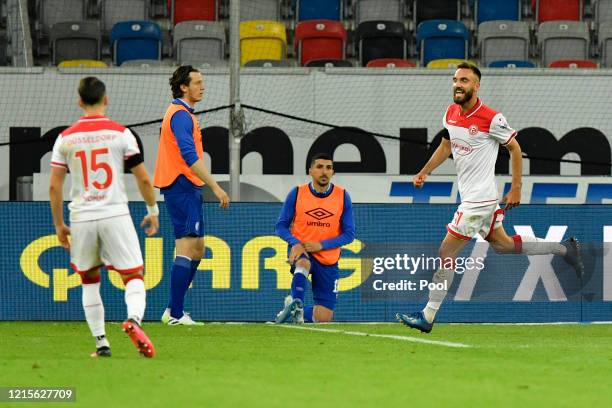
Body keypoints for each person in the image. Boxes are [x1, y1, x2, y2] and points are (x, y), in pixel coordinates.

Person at [396, 61, 584, 333]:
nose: (458, 85)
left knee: (446, 251)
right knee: (503, 245)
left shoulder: (491, 118)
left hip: (479, 200)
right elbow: (446, 145)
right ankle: (564, 248)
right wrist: (425, 171)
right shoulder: (450, 113)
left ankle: (428, 315)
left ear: (476, 86)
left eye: (464, 81)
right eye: (455, 80)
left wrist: (517, 187)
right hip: (477, 199)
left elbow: (516, 149)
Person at [49, 77, 158, 358]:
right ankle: (133, 320)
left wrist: (60, 224)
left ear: (79, 101)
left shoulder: (66, 138)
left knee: (89, 280)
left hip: (83, 216)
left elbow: (54, 186)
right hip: (115, 213)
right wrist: (152, 210)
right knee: (133, 275)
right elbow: (144, 179)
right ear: (106, 99)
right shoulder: (121, 134)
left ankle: (101, 344)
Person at [155, 65, 229, 326]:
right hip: (182, 185)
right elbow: (189, 156)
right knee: (186, 248)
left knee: (198, 249)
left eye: (202, 82)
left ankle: (173, 309)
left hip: (188, 186)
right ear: (183, 87)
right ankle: (175, 314)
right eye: (197, 82)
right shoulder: (180, 115)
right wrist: (216, 186)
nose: (202, 86)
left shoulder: (183, 114)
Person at [275, 153, 355, 323]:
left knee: (324, 317)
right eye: (319, 167)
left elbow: (349, 235)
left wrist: (322, 245)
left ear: (333, 172)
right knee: (303, 263)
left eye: (328, 168)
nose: (324, 171)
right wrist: (295, 243)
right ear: (310, 171)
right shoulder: (297, 193)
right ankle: (297, 304)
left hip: (328, 258)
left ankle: (293, 311)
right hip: (302, 250)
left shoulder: (342, 196)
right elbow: (280, 226)